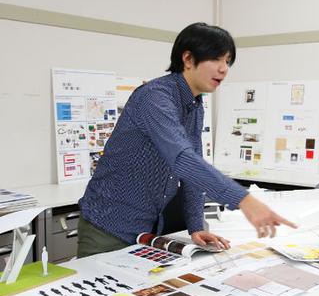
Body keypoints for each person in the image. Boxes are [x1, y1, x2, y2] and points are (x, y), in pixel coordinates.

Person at [78, 23, 296, 258]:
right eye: (216, 59)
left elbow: (190, 169)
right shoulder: (154, 98)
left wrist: (196, 226)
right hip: (107, 228)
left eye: (228, 61)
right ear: (188, 59)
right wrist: (244, 200)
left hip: (147, 232)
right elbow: (182, 158)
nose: (224, 69)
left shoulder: (195, 104)